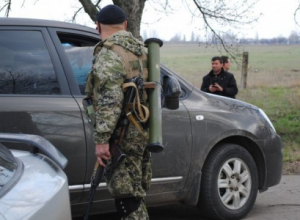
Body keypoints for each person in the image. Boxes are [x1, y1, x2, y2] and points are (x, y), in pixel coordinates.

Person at [85, 4, 151, 220]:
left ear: (97, 26)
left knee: (127, 198)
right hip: (140, 130)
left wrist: (102, 140)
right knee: (134, 194)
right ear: (124, 24)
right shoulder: (142, 51)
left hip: (121, 134)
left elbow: (109, 100)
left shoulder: (109, 53)